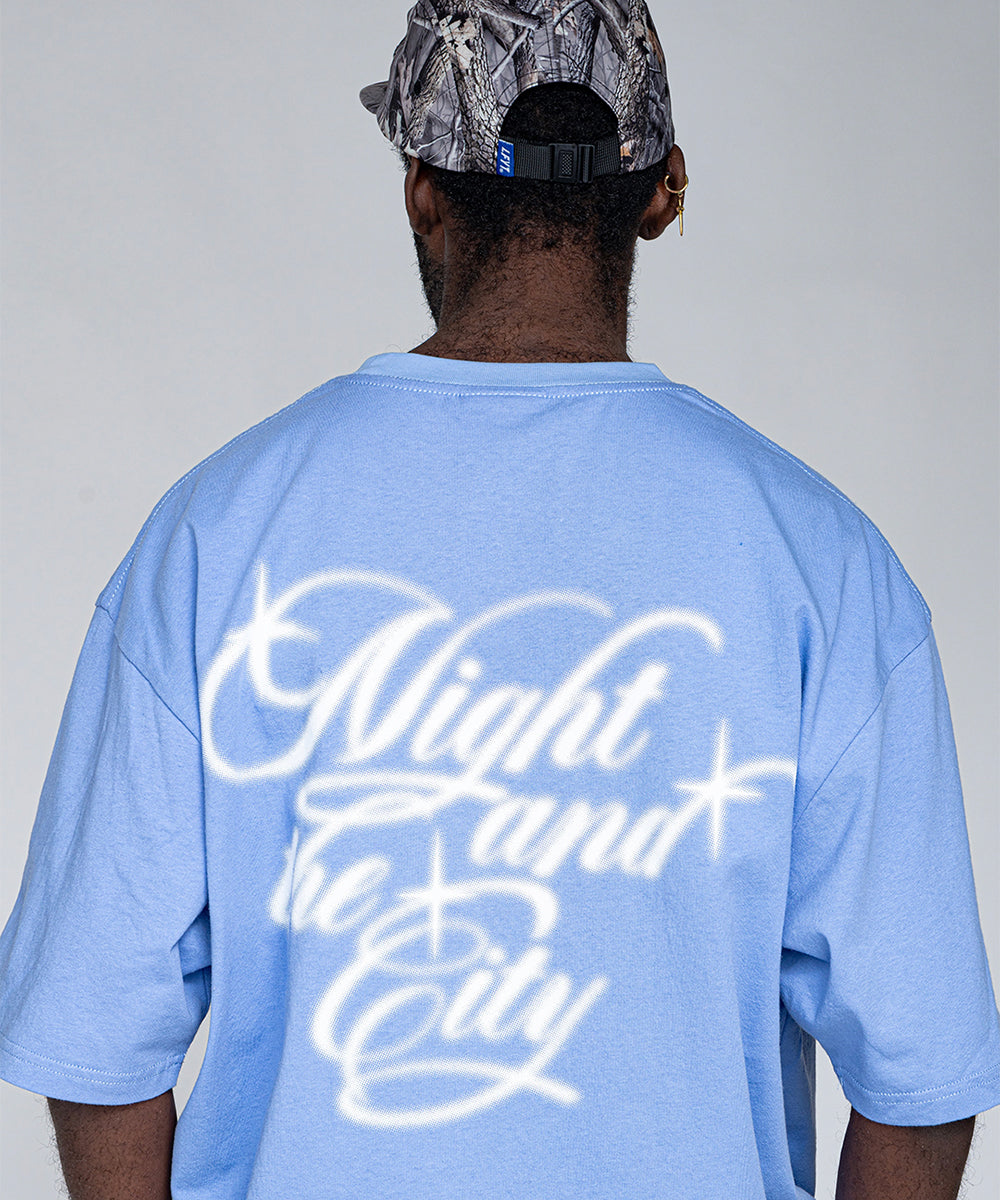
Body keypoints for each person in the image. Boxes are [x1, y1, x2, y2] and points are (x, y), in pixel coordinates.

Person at [1, 2, 998, 1197]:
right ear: (662, 190)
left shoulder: (214, 532)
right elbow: (918, 1075)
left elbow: (101, 1035)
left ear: (421, 189)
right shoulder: (823, 561)